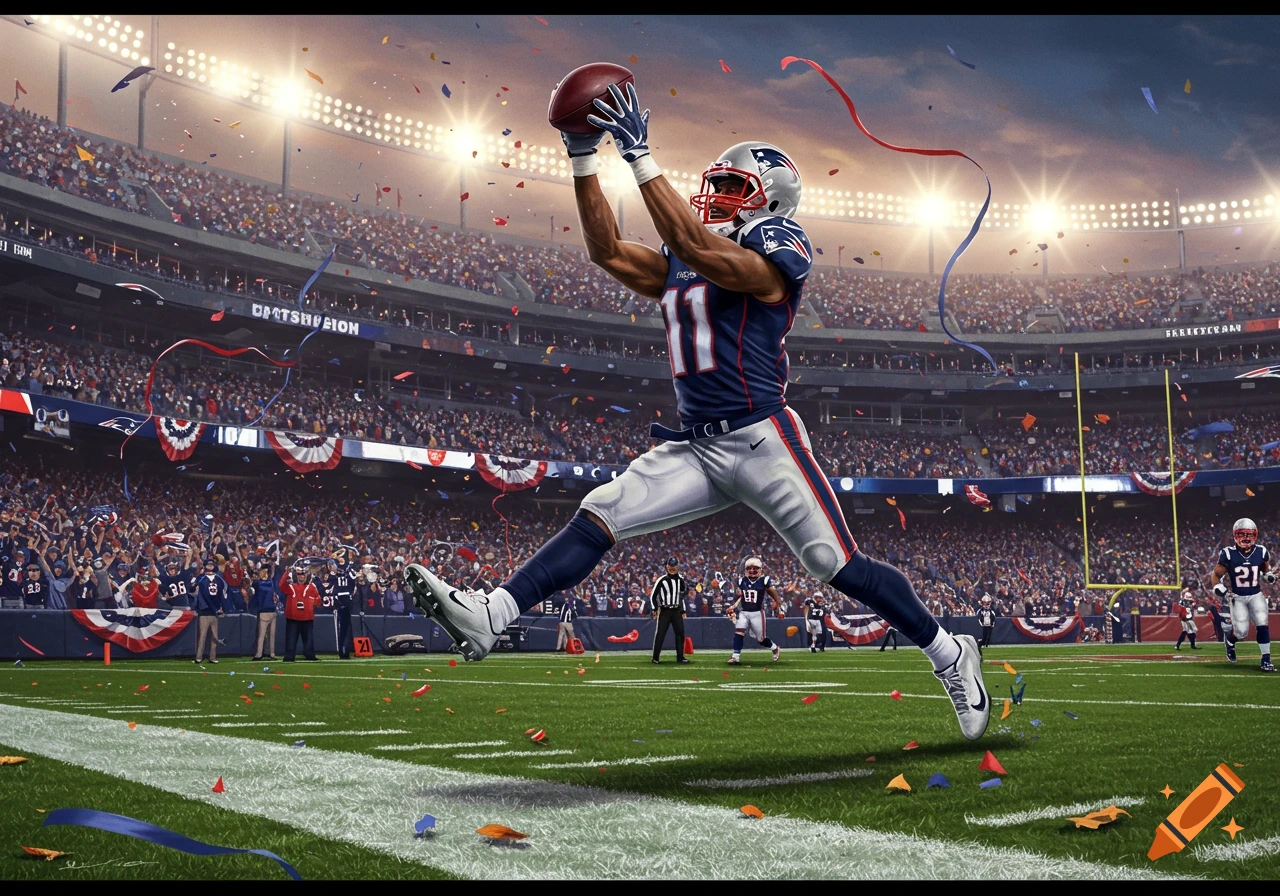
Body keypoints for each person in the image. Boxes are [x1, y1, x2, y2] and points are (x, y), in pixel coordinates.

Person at [403, 79, 990, 741]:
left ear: (771, 198)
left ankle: (949, 653)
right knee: (602, 511)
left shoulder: (778, 248)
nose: (718, 196)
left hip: (762, 438)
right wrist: (582, 158)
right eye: (718, 184)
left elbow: (713, 257)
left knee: (834, 564)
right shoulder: (686, 258)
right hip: (696, 444)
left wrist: (642, 161)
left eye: (735, 187)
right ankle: (494, 613)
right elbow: (606, 250)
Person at [1213, 518, 1275, 672]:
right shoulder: (1228, 554)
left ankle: (1266, 659)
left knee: (1262, 623)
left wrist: (1269, 576)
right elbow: (1216, 575)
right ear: (1235, 535)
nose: (1246, 538)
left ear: (1255, 535)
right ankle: (1230, 640)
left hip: (1256, 594)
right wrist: (1218, 586)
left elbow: (1266, 570)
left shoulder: (1261, 551)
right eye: (1242, 534)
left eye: (1249, 534)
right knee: (1241, 632)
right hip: (1237, 596)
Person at [728, 557, 781, 664]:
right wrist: (733, 606)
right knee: (739, 631)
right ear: (745, 570)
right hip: (744, 612)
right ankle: (735, 656)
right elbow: (741, 596)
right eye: (749, 568)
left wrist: (778, 604)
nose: (752, 570)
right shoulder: (741, 581)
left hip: (757, 613)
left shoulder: (764, 580)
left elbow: (773, 592)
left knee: (761, 639)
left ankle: (775, 648)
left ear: (760, 569)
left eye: (755, 568)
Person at [649, 556, 689, 664]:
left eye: (674, 566)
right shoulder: (661, 580)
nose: (672, 568)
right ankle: (655, 657)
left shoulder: (681, 579)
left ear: (677, 566)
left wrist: (683, 610)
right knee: (660, 633)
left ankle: (680, 657)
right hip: (665, 610)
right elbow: (653, 596)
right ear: (666, 566)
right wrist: (654, 608)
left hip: (676, 610)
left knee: (680, 633)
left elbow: (681, 597)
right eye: (670, 566)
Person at [281, 564, 320, 662]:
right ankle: (289, 656)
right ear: (295, 575)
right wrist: (287, 572)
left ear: (306, 576)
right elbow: (281, 585)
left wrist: (310, 602)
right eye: (299, 575)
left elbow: (318, 600)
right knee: (291, 640)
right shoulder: (290, 586)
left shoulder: (311, 586)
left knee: (309, 640)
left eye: (303, 575)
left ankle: (310, 655)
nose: (301, 577)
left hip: (307, 618)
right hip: (293, 618)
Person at [193, 557, 226, 664]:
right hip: (205, 610)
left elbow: (223, 594)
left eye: (212, 564)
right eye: (209, 564)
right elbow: (193, 590)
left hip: (214, 611)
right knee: (202, 635)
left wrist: (222, 607)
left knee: (215, 636)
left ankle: (212, 657)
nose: (211, 566)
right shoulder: (201, 578)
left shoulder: (219, 579)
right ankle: (199, 656)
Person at [248, 563, 280, 660]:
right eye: (263, 571)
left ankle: (271, 653)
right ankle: (259, 653)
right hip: (263, 610)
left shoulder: (272, 582)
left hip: (272, 610)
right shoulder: (258, 583)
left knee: (271, 635)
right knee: (262, 635)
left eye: (266, 571)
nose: (265, 573)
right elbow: (252, 591)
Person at [329, 556, 357, 659]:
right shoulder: (335, 575)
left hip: (345, 600)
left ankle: (345, 650)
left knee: (346, 628)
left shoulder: (347, 572)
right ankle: (342, 650)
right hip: (340, 600)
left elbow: (354, 577)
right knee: (342, 628)